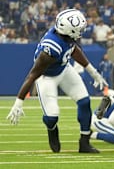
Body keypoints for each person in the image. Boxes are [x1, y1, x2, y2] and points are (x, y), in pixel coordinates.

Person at [6, 8, 107, 153]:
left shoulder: (65, 36)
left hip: (64, 69)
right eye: (78, 29)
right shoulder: (50, 50)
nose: (81, 31)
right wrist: (19, 102)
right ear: (69, 30)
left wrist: (93, 72)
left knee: (85, 101)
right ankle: (51, 129)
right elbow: (32, 75)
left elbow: (73, 50)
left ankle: (84, 143)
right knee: (52, 116)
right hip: (46, 77)